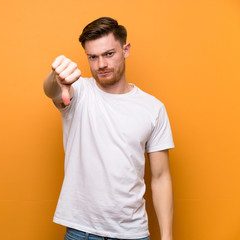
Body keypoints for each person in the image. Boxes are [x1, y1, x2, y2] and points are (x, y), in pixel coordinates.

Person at [43, 17, 174, 240]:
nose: (101, 64)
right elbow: (52, 91)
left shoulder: (153, 108)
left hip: (133, 233)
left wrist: (167, 237)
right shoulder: (78, 90)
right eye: (92, 57)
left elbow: (161, 178)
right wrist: (56, 78)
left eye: (109, 54)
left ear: (126, 50)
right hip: (81, 232)